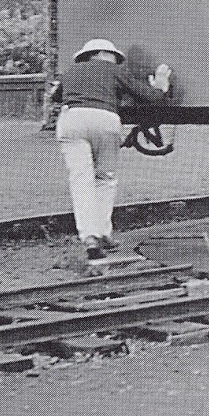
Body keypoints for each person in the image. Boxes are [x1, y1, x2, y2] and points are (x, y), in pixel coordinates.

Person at [51, 39, 171, 261]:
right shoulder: (115, 70)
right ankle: (104, 233)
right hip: (105, 118)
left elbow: (55, 96)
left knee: (81, 180)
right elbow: (150, 98)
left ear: (87, 55)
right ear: (109, 55)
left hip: (72, 119)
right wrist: (160, 86)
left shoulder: (71, 71)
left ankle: (89, 237)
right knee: (105, 178)